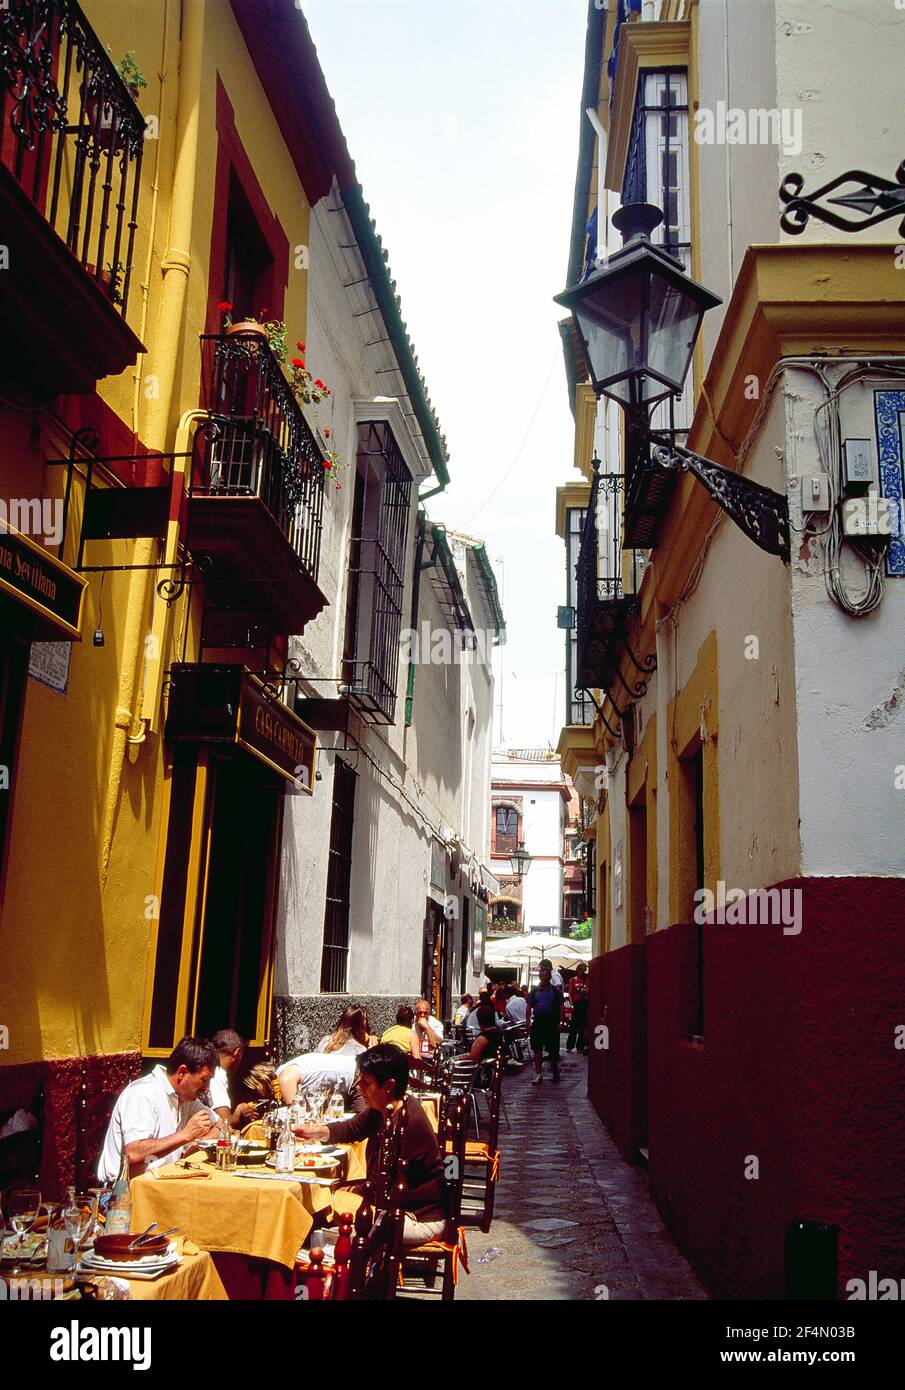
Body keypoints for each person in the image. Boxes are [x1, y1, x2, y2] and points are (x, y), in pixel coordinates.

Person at [294, 1044, 448, 1246]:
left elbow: (380, 1188)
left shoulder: (405, 1122)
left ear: (389, 1086)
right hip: (394, 1206)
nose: (359, 1087)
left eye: (366, 1083)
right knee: (323, 1208)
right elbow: (351, 1128)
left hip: (417, 1218)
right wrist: (313, 1131)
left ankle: (353, 1275)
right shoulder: (387, 1107)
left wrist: (350, 1191)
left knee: (321, 1226)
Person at [98, 1037, 219, 1181]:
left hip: (162, 1186)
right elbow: (133, 1154)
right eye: (204, 1080)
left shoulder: (186, 1097)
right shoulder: (142, 1093)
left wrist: (196, 1144)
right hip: (123, 1193)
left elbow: (222, 1126)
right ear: (182, 1073)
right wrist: (185, 1135)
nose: (207, 1088)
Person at [209, 1028, 259, 1130]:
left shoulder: (213, 1070)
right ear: (237, 1053)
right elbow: (226, 1124)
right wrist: (239, 1111)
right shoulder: (217, 1074)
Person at [276, 1050, 358, 1105]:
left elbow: (295, 1111)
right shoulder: (285, 1070)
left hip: (357, 1075)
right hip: (350, 1078)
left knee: (363, 1127)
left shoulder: (285, 1079)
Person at [526, 961, 562, 1085]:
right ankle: (538, 1073)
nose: (544, 978)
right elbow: (529, 1007)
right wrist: (528, 1023)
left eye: (546, 976)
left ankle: (554, 1069)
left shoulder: (555, 991)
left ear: (549, 977)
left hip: (552, 1022)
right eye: (542, 976)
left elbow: (561, 1007)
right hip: (538, 1022)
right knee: (537, 1049)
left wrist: (560, 1022)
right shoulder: (534, 991)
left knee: (552, 1049)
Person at [566, 962, 590, 1054]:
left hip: (584, 1003)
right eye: (580, 970)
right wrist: (572, 1005)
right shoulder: (573, 980)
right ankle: (570, 1046)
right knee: (573, 1026)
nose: (582, 972)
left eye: (583, 970)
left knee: (582, 1026)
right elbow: (570, 993)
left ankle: (580, 1046)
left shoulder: (587, 980)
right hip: (576, 1003)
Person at [468, 1004, 502, 1068]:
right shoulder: (499, 1034)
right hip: (497, 1070)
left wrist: (459, 1059)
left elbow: (473, 1059)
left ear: (479, 1020)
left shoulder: (482, 1038)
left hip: (483, 1072)